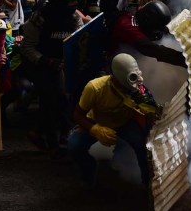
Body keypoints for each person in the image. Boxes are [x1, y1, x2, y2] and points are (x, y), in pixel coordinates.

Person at [68, 53, 159, 188]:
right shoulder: (94, 87)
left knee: (143, 146)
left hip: (124, 123)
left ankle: (148, 184)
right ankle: (89, 173)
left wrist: (147, 105)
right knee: (74, 145)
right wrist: (95, 129)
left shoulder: (138, 89)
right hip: (98, 121)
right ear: (114, 77)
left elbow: (153, 114)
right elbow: (77, 115)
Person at [20, 0, 83, 153]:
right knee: (49, 102)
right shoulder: (39, 19)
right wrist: (45, 61)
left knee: (63, 100)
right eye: (71, 1)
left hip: (61, 64)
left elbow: (79, 40)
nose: (75, 4)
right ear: (59, 3)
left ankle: (48, 134)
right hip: (40, 63)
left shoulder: (74, 18)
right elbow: (27, 47)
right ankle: (53, 147)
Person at [110, 0, 186, 68]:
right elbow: (155, 50)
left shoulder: (138, 12)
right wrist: (185, 60)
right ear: (146, 21)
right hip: (111, 55)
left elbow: (162, 27)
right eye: (155, 29)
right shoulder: (130, 29)